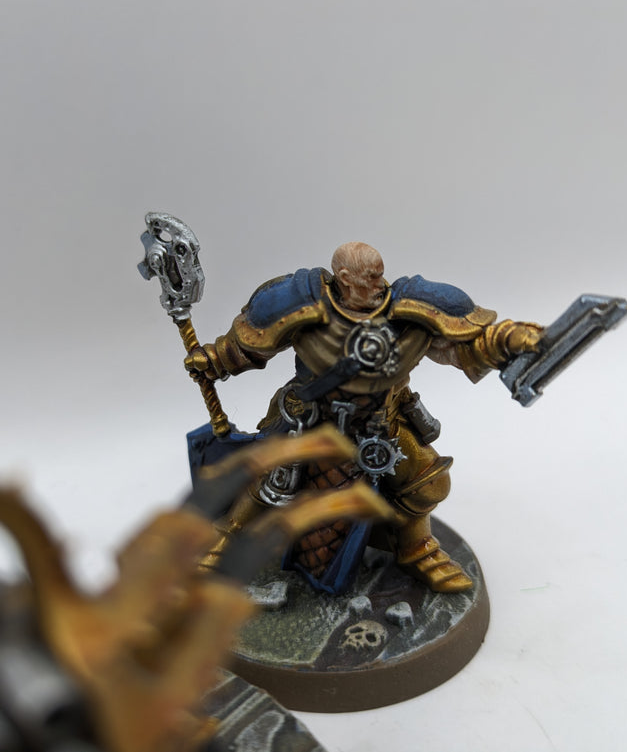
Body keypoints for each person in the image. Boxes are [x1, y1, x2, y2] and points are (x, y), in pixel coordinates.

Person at [185, 242, 543, 593]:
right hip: (309, 418)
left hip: (382, 422)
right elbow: (249, 345)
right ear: (344, 278)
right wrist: (214, 360)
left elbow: (466, 344)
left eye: (380, 275)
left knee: (429, 482)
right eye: (370, 278)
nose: (378, 284)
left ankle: (416, 549)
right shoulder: (302, 305)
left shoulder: (409, 314)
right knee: (268, 476)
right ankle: (224, 538)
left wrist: (509, 339)